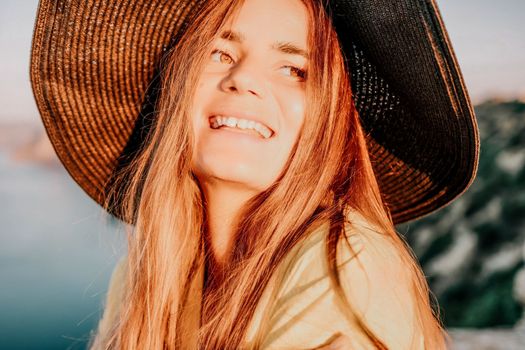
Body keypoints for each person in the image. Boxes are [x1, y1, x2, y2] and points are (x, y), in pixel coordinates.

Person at [29, 0, 480, 348]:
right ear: (177, 88)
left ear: (330, 120)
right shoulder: (145, 270)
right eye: (220, 53)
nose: (243, 78)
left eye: (293, 69)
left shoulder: (342, 261)